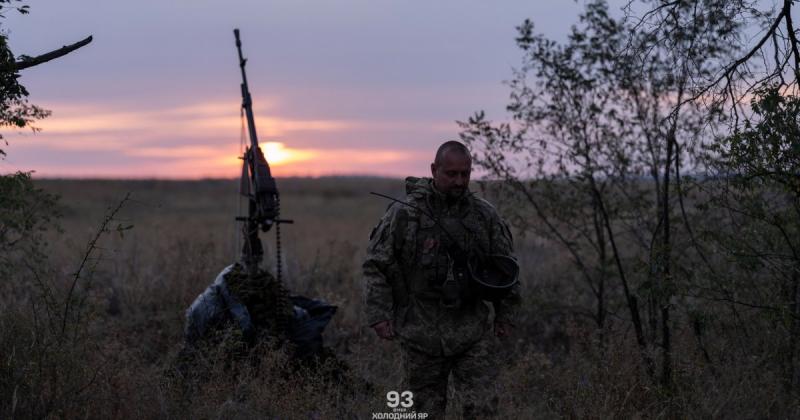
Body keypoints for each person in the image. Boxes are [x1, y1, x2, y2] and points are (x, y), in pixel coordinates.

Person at [363, 140, 521, 418]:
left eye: (465, 174)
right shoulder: (405, 213)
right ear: (434, 170)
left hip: (472, 331)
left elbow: (507, 269)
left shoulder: (484, 216)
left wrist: (506, 315)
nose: (459, 181)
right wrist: (379, 314)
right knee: (416, 412)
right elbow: (377, 264)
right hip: (419, 333)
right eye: (451, 174)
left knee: (483, 409)